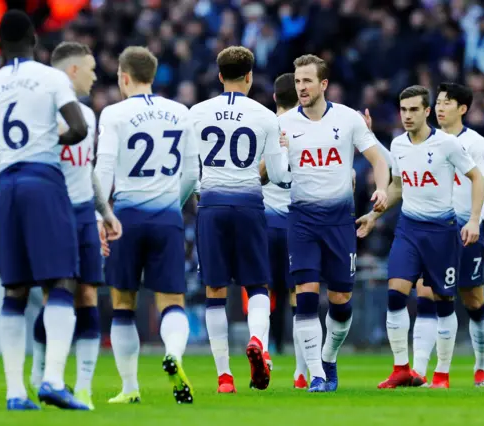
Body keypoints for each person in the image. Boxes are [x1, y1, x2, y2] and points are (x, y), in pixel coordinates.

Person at [0, 10, 96, 410]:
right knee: (60, 282)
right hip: (43, 180)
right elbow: (78, 129)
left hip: (7, 185)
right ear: (35, 41)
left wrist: (7, 147)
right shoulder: (51, 78)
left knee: (15, 290)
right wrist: (45, 137)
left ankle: (14, 393)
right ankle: (54, 381)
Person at [355, 85, 484, 389]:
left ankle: (441, 374)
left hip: (442, 233)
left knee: (444, 303)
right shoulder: (398, 144)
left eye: (414, 110)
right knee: (395, 294)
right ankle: (401, 367)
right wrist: (375, 216)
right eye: (403, 110)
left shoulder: (447, 144)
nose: (407, 115)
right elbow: (399, 186)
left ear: (427, 112)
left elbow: (477, 178)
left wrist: (475, 220)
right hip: (409, 229)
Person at [278, 54, 390, 392]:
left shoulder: (348, 119)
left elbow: (378, 159)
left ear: (323, 84)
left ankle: (328, 358)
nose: (301, 87)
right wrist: (275, 158)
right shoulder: (283, 125)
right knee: (306, 296)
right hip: (301, 220)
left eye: (307, 81)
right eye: (297, 81)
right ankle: (315, 374)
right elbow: (268, 173)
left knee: (341, 301)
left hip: (340, 221)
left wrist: (382, 188)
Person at [94, 46, 200, 404]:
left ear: (124, 77)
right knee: (172, 300)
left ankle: (129, 387)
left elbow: (102, 170)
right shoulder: (180, 112)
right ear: (152, 76)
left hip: (126, 216)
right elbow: (191, 174)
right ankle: (174, 354)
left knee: (123, 302)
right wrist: (175, 203)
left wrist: (100, 216)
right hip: (167, 215)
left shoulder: (114, 113)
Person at [189, 46, 290, 393]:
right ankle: (258, 343)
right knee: (257, 285)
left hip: (212, 203)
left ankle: (224, 377)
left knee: (215, 290)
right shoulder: (265, 116)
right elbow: (278, 175)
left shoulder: (197, 112)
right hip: (249, 203)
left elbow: (190, 172)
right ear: (250, 76)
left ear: (219, 76)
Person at [29, 41, 121, 410]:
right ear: (71, 71)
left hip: (85, 213)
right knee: (56, 295)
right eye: (90, 68)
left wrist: (105, 213)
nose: (95, 76)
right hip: (54, 212)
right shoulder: (44, 116)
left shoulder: (89, 115)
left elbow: (87, 170)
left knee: (87, 296)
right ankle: (40, 374)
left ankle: (82, 388)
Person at [410, 82, 484, 387]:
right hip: (431, 230)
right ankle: (422, 370)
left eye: (448, 102)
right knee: (427, 293)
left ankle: (481, 366)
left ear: (463, 108)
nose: (441, 107)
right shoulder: (423, 140)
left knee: (472, 299)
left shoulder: (474, 142)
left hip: (465, 229)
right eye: (439, 102)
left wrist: (475, 221)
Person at [257, 72, 308, 389]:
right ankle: (301, 368)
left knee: (262, 290)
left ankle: (265, 348)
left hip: (264, 219)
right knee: (298, 292)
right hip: (297, 220)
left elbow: (257, 176)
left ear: (275, 97)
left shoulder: (264, 127)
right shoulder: (308, 127)